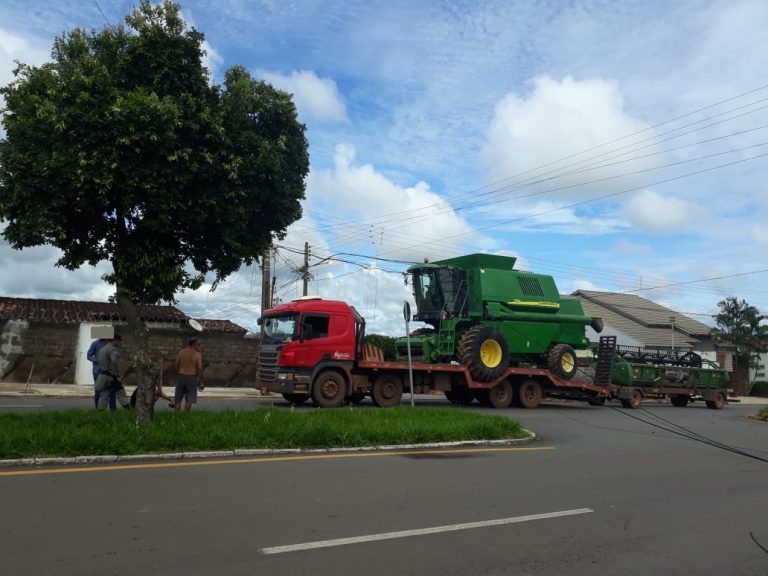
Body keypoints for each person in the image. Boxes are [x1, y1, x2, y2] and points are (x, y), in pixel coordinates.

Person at [95, 335, 131, 410]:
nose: (119, 343)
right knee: (121, 393)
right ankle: (128, 410)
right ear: (115, 340)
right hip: (110, 376)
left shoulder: (102, 349)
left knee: (104, 395)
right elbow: (114, 362)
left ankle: (100, 412)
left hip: (102, 376)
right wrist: (116, 373)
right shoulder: (113, 349)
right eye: (119, 341)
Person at [173, 338, 204, 412]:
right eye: (198, 344)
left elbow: (176, 364)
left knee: (177, 399)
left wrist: (179, 372)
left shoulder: (182, 352)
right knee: (189, 399)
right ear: (193, 344)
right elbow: (199, 368)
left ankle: (176, 416)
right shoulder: (198, 355)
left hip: (181, 376)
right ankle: (186, 416)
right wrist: (199, 379)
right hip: (192, 377)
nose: (199, 346)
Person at [87, 337, 116, 410]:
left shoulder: (112, 345)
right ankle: (98, 409)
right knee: (98, 391)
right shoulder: (95, 344)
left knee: (112, 391)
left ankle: (113, 410)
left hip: (110, 372)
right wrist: (97, 360)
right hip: (98, 371)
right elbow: (89, 355)